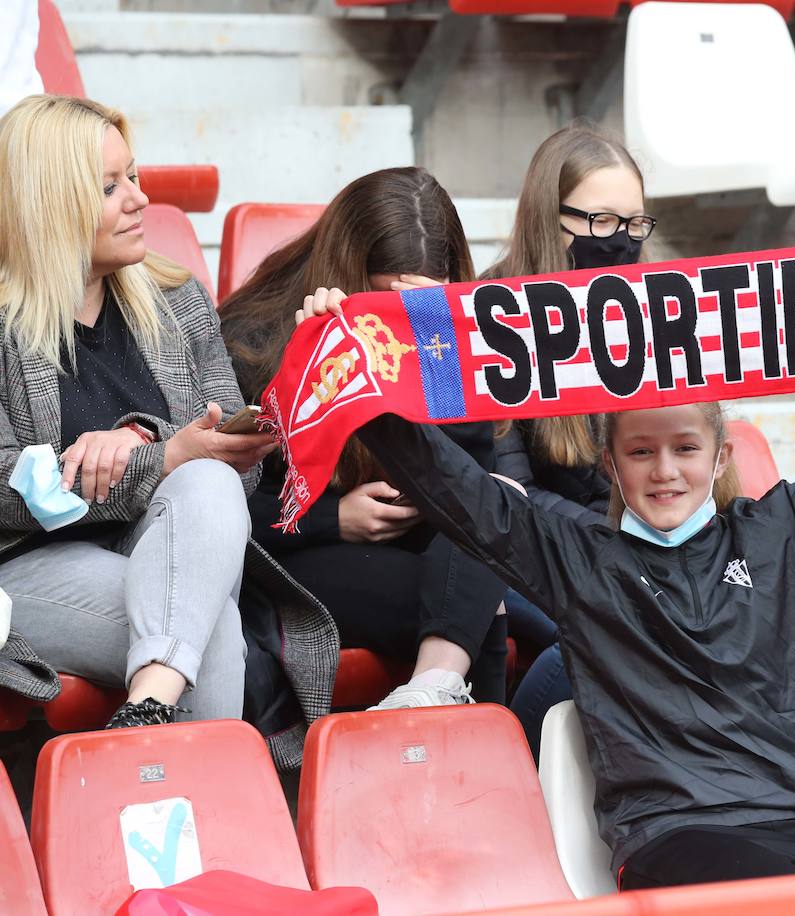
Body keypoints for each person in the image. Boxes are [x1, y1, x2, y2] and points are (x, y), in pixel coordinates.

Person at [294, 219, 795, 889]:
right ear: (610, 463)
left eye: (686, 448)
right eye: (642, 451)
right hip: (680, 836)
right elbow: (453, 487)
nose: (665, 471)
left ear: (720, 455)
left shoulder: (787, 528)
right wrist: (362, 378)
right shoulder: (574, 555)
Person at [0, 94, 299, 729]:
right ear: (52, 203)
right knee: (209, 630)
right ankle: (199, 801)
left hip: (164, 548)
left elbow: (234, 483)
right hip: (27, 566)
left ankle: (146, 717)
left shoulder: (178, 300)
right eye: (110, 188)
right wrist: (152, 458)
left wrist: (155, 447)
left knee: (210, 482)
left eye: (133, 177)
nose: (140, 200)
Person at [219, 166, 509, 708]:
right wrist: (337, 518)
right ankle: (478, 749)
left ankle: (432, 695)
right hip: (302, 551)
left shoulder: (438, 332)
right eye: (386, 301)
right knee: (477, 605)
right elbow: (221, 512)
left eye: (423, 301)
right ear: (348, 275)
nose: (405, 317)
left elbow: (473, 483)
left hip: (424, 550)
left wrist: (441, 345)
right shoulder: (253, 340)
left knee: (495, 515)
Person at [486, 123, 651, 753]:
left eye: (636, 225)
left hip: (627, 545)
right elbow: (508, 493)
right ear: (549, 222)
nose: (624, 242)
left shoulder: (652, 314)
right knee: (607, 630)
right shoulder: (491, 317)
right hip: (522, 547)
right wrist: (614, 541)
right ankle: (514, 775)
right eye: (604, 222)